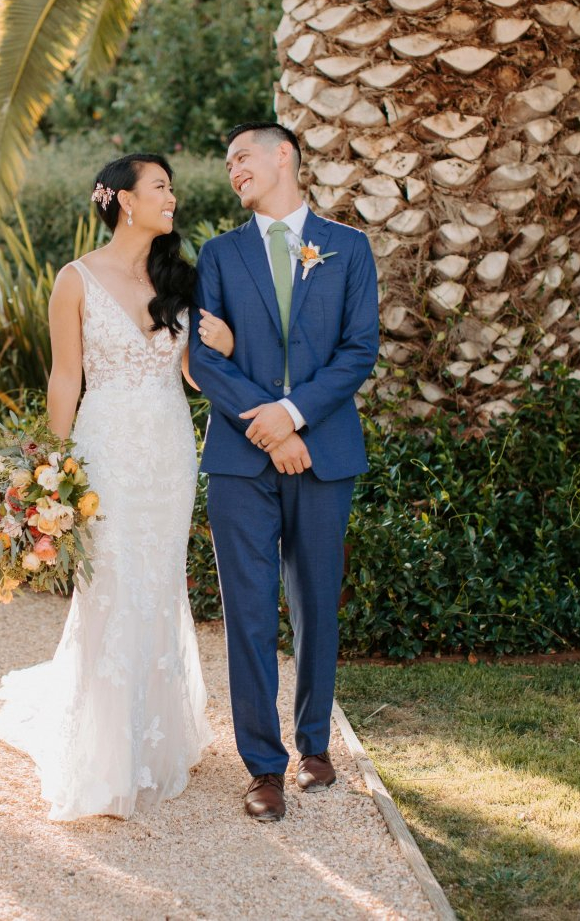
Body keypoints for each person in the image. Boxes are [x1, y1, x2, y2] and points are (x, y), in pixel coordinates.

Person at [0, 153, 236, 820]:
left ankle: (153, 739)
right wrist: (52, 468)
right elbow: (65, 378)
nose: (172, 197)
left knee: (157, 583)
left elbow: (190, 374)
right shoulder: (75, 279)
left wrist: (225, 343)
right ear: (125, 199)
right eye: (161, 187)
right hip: (103, 452)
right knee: (109, 585)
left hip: (167, 450)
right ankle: (102, 751)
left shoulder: (181, 279)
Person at [189, 122, 379, 822]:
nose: (233, 169)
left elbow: (359, 351)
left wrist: (293, 416)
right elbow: (205, 360)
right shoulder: (216, 255)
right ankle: (262, 767)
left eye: (242, 156)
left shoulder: (349, 248)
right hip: (241, 460)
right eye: (227, 161)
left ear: (283, 157)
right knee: (245, 611)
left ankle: (315, 747)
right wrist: (267, 429)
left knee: (315, 605)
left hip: (323, 452)